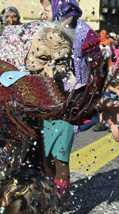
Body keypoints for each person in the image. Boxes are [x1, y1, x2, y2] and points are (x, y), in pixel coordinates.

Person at [40, 0, 102, 198]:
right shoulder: (48, 31)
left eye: (47, 7)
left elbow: (98, 68)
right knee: (45, 154)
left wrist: (91, 97)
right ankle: (51, 193)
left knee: (60, 155)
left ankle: (61, 198)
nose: (43, 12)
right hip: (48, 100)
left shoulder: (85, 33)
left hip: (73, 102)